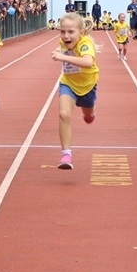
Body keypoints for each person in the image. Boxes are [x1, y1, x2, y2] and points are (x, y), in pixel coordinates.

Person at [50, 12, 99, 170]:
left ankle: (89, 113)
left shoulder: (85, 44)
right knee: (64, 114)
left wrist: (63, 57)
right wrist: (60, 50)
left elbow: (87, 62)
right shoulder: (63, 41)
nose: (65, 36)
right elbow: (63, 48)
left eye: (71, 32)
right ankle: (66, 154)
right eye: (62, 31)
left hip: (87, 86)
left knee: (88, 115)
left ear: (81, 33)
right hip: (68, 83)